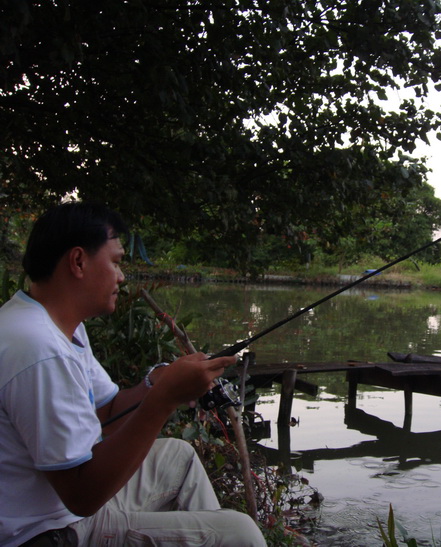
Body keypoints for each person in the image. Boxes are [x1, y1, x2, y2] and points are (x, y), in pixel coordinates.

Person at [0, 202, 267, 547]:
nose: (122, 276)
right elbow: (81, 496)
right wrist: (163, 400)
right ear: (78, 262)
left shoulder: (54, 325)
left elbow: (108, 414)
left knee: (179, 458)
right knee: (240, 533)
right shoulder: (39, 349)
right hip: (47, 532)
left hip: (61, 506)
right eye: (115, 262)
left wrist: (159, 381)